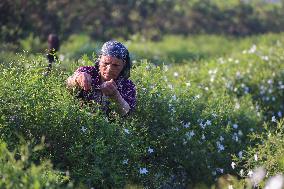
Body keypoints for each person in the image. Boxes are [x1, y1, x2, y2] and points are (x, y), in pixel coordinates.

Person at [66, 40, 136, 116]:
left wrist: (115, 96)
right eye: (105, 63)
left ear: (123, 65)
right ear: (99, 61)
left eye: (115, 65)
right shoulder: (88, 72)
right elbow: (68, 83)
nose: (109, 69)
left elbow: (126, 112)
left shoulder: (127, 85)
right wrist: (77, 79)